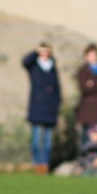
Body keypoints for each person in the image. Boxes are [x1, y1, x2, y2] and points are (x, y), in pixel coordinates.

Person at [22, 42, 61, 172]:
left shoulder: (53, 67)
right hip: (37, 107)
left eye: (47, 51)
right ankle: (37, 163)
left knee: (48, 142)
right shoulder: (34, 65)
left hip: (50, 109)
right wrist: (35, 51)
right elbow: (25, 62)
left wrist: (57, 104)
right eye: (42, 51)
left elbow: (57, 89)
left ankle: (45, 164)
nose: (45, 54)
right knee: (36, 139)